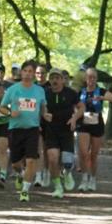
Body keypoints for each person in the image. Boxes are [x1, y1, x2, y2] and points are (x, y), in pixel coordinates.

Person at [0, 59, 48, 203]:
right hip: (15, 129)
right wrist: (9, 113)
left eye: (30, 71)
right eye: (25, 71)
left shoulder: (39, 90)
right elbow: (2, 107)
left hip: (32, 129)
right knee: (15, 163)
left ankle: (25, 191)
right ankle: (20, 174)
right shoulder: (13, 89)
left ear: (34, 74)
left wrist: (46, 114)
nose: (27, 74)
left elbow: (43, 107)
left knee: (31, 160)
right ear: (21, 72)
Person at [42, 68, 84, 198]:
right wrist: (44, 114)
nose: (54, 81)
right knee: (53, 159)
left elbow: (81, 107)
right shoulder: (45, 93)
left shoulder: (70, 93)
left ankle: (67, 172)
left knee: (67, 161)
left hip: (66, 130)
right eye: (52, 78)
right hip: (51, 130)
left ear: (62, 80)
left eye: (57, 78)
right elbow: (40, 108)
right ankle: (58, 187)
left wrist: (74, 118)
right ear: (49, 80)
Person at [76, 67, 112, 192]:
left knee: (93, 155)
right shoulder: (80, 92)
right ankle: (84, 179)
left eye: (94, 77)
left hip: (97, 124)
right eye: (89, 77)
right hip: (83, 124)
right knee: (83, 153)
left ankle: (92, 179)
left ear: (96, 79)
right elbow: (74, 105)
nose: (91, 80)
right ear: (85, 78)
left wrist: (102, 98)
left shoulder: (101, 91)